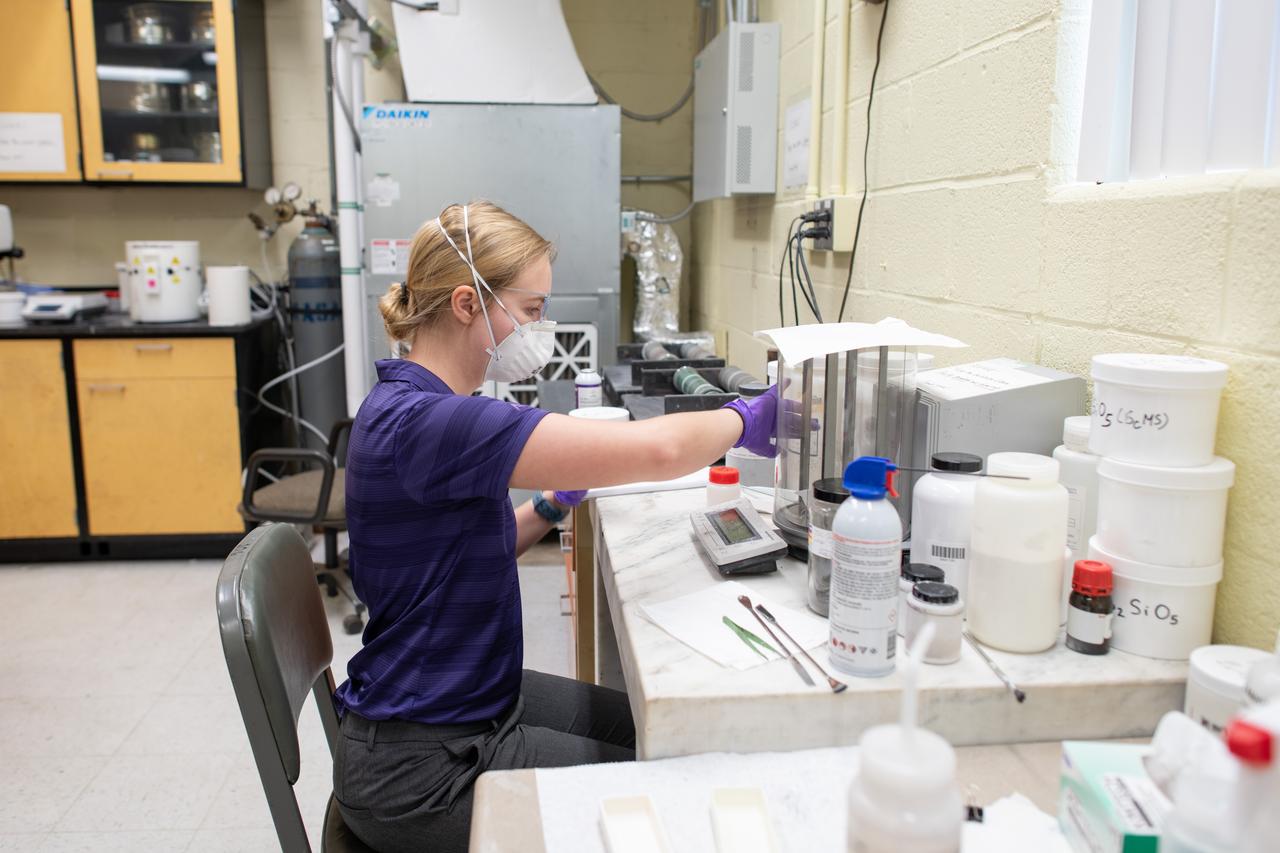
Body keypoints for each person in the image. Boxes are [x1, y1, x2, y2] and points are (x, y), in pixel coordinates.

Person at [333, 201, 777, 852]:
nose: (540, 327)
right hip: (427, 768)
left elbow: (463, 552)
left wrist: (548, 505)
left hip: (465, 702)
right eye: (531, 309)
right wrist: (748, 415)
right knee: (674, 792)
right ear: (466, 304)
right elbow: (657, 451)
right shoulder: (434, 424)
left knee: (658, 729)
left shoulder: (413, 404)